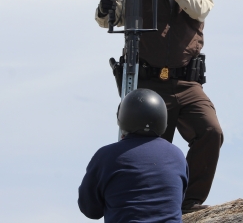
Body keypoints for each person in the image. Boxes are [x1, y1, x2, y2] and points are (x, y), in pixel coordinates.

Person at [95, 0, 223, 213]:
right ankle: (149, 209)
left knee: (211, 132)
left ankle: (189, 203)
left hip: (187, 84)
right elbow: (111, 19)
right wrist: (105, 9)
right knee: (148, 151)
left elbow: (198, 9)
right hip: (149, 85)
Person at [78, 88, 188, 222]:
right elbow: (176, 201)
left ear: (124, 118)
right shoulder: (177, 155)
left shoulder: (107, 156)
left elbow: (90, 210)